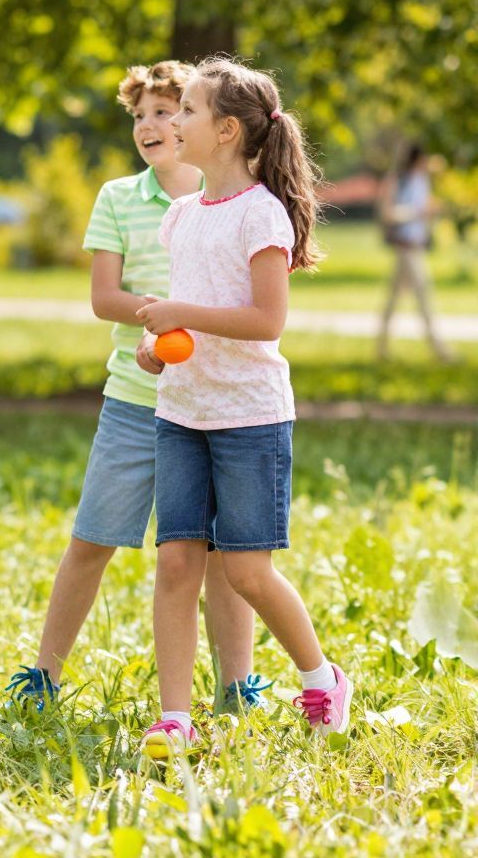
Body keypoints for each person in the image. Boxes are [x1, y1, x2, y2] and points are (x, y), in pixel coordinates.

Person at [7, 63, 260, 711]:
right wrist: (163, 317)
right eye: (139, 115)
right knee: (92, 538)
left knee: (220, 553)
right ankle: (44, 676)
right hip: (134, 398)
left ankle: (238, 688)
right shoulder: (120, 197)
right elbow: (103, 297)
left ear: (204, 124)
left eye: (166, 112)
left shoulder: (233, 199)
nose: (149, 125)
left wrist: (187, 317)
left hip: (211, 404)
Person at [133, 57, 353, 758]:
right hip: (182, 413)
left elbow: (266, 320)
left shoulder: (262, 214)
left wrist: (180, 314)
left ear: (226, 130)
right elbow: (186, 311)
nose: (174, 121)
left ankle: (321, 679)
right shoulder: (181, 216)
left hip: (250, 418)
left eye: (187, 110)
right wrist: (154, 344)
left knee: (247, 573)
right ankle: (175, 717)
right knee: (176, 564)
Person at [377, 143, 454, 362]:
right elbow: (387, 213)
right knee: (423, 297)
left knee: (393, 299)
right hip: (405, 247)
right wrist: (416, 213)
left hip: (417, 246)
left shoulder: (422, 180)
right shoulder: (397, 179)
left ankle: (381, 347)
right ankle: (440, 350)